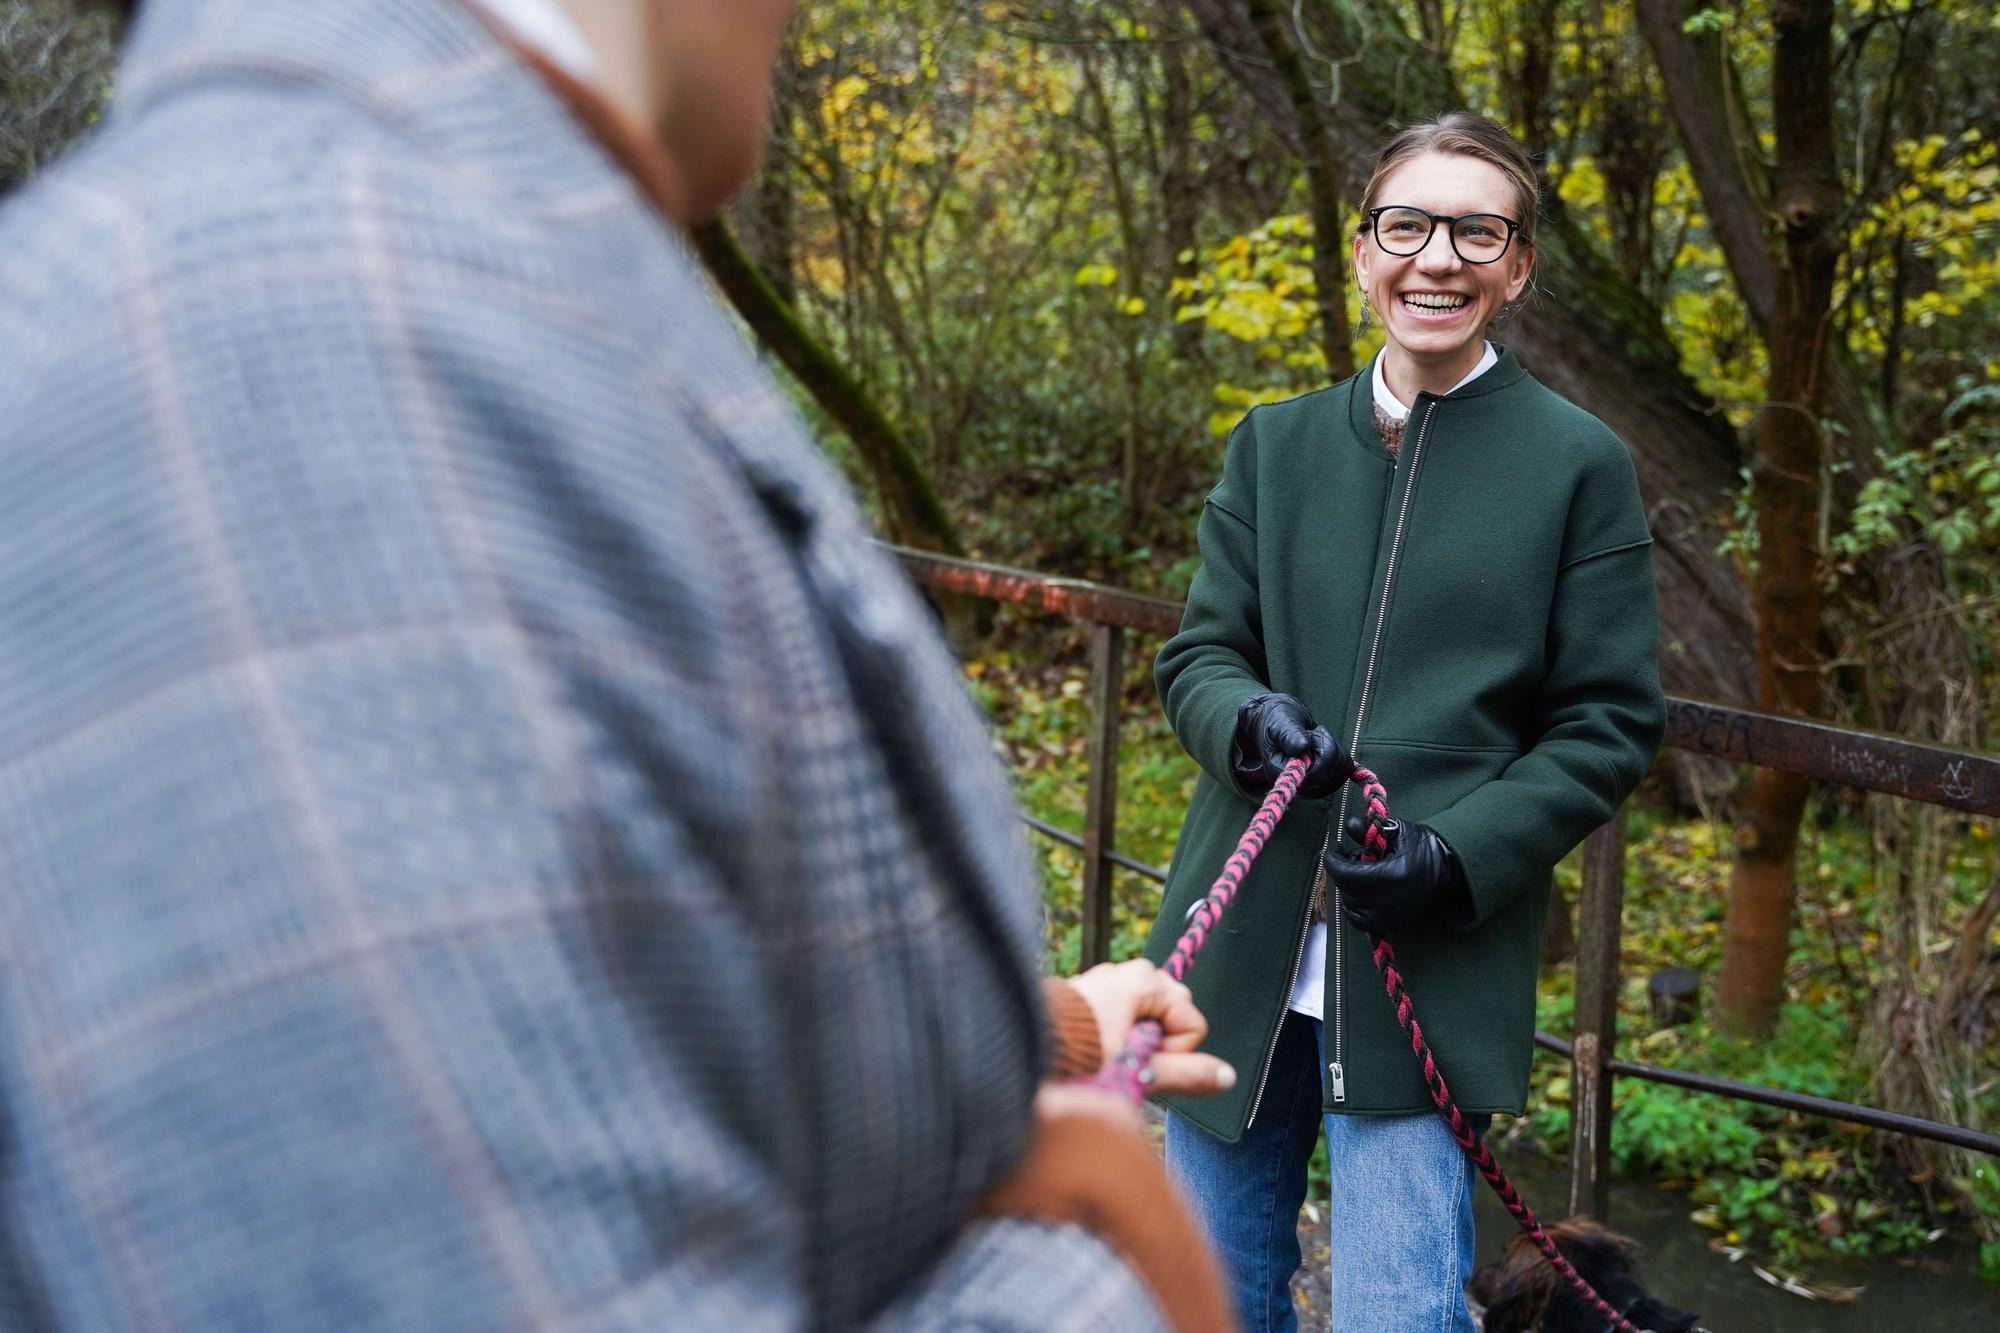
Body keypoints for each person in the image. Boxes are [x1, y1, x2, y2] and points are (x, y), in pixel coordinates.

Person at [0, 0, 1235, 1328]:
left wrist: (1050, 1034)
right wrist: (1100, 1226)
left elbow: (608, 976)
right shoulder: (289, 318)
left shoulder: (438, 265)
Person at [1143, 112, 1667, 1333]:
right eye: (1406, 226)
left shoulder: (1577, 465)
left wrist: (1453, 854)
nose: (1437, 257)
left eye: (1475, 232)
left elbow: (1605, 722)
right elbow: (1198, 653)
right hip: (1240, 943)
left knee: (1397, 1310)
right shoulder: (1273, 444)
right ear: (1362, 250)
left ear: (1516, 266)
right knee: (1203, 1299)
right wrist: (1245, 721)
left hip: (1427, 959)